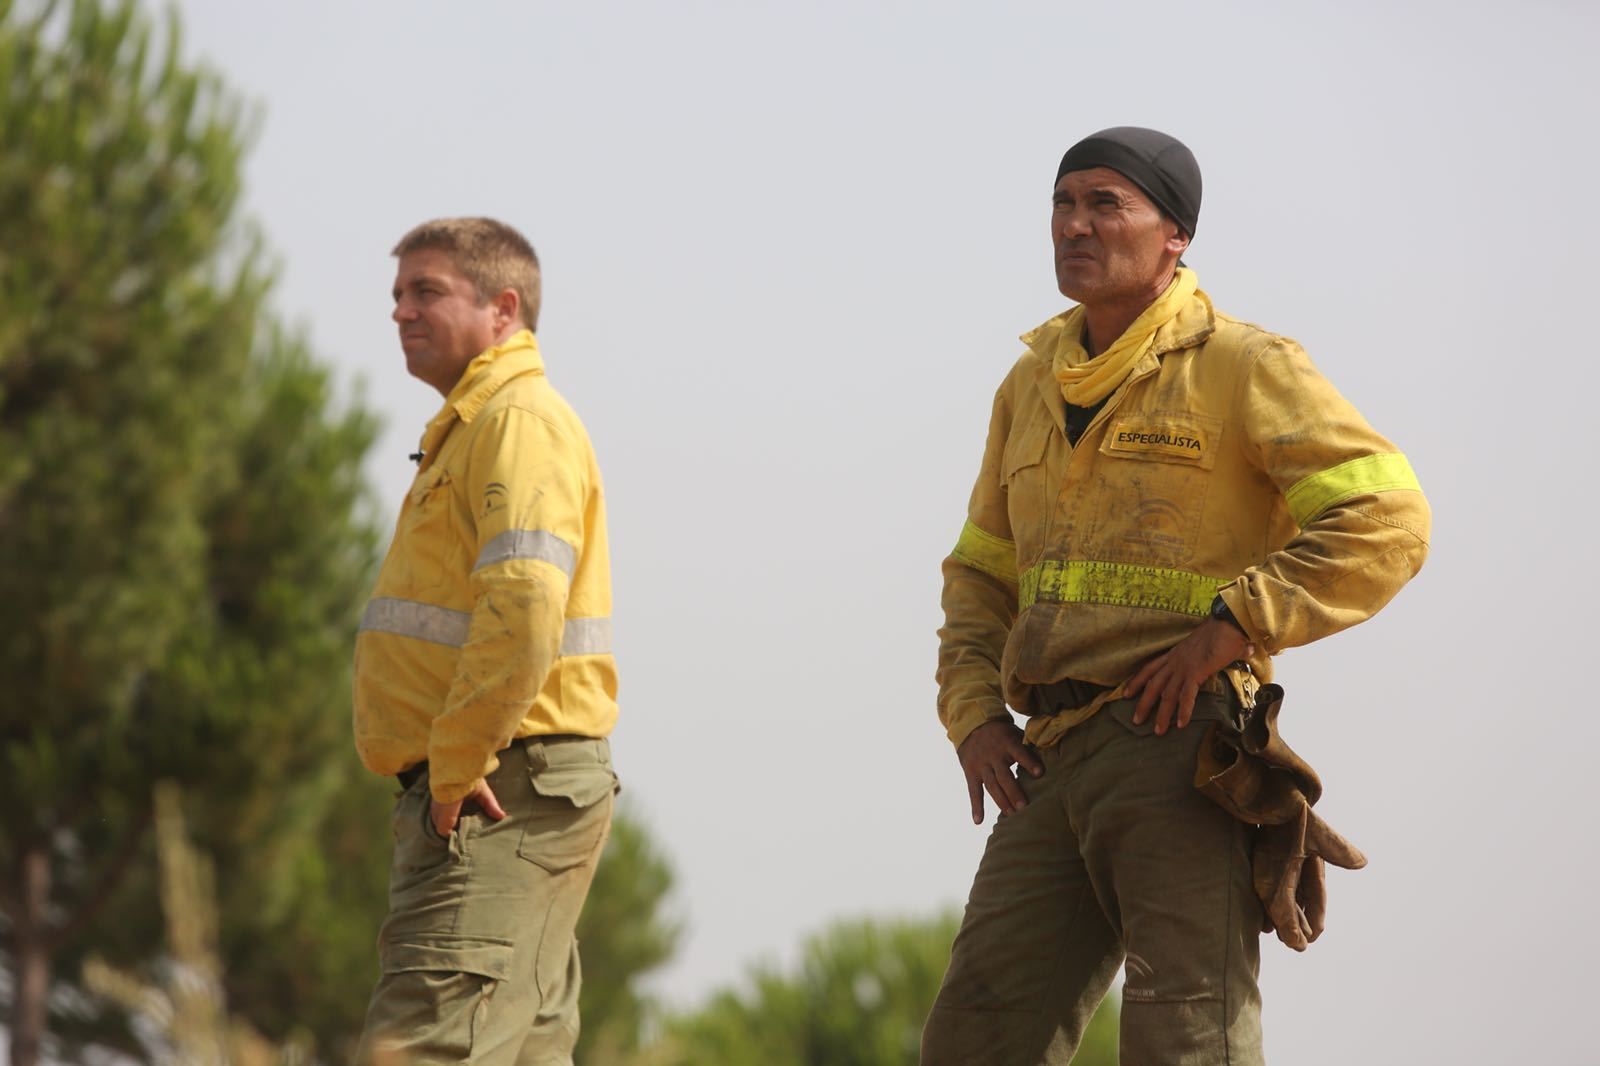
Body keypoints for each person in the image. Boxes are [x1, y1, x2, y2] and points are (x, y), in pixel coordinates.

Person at [922, 128, 1430, 1065]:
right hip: (1049, 763)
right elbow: (981, 575)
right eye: (1063, 203)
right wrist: (972, 715)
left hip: (1179, 748)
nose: (1075, 224)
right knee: (973, 1037)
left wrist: (1233, 629)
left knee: (1184, 1038)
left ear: (1176, 236)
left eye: (1106, 203)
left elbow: (1388, 518)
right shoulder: (1028, 386)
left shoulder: (1244, 365)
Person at [352, 217, 619, 1065]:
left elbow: (525, 607)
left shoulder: (516, 423)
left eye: (425, 290)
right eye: (397, 294)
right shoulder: (478, 427)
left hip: (496, 791)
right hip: (501, 787)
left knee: (423, 1046)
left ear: (503, 308)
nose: (400, 311)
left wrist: (455, 769)